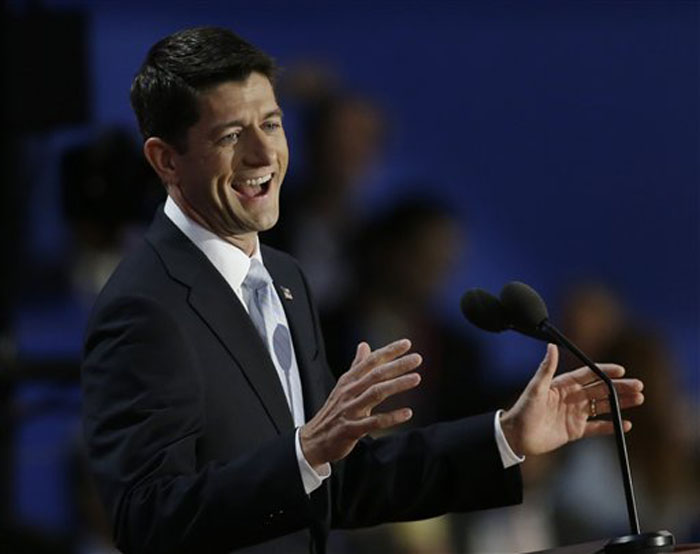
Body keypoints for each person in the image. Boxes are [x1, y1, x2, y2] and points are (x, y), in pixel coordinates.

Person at [81, 27, 645, 554]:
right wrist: (304, 452)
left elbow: (340, 480)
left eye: (272, 124)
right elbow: (145, 516)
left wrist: (506, 436)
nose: (262, 155)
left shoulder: (285, 278)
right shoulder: (145, 305)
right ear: (165, 160)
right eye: (231, 135)